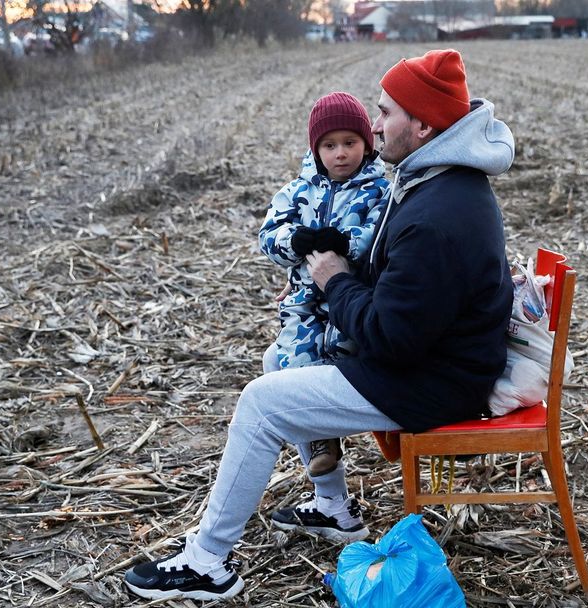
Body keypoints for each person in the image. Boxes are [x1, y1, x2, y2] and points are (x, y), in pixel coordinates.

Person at [124, 49, 515, 602]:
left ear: (424, 124)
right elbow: (402, 292)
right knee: (276, 361)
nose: (374, 126)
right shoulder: (440, 183)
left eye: (385, 113)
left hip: (431, 382)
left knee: (262, 402)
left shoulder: (438, 213)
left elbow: (391, 337)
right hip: (434, 360)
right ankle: (333, 508)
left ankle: (207, 560)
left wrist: (333, 279)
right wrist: (325, 282)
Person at [258, 91, 389, 477]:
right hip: (304, 302)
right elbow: (268, 235)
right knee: (296, 359)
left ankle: (333, 425)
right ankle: (320, 440)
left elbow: (378, 235)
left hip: (350, 300)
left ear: (366, 144)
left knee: (340, 355)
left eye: (350, 143)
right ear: (316, 150)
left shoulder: (378, 191)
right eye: (329, 145)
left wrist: (348, 242)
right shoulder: (297, 192)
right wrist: (292, 242)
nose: (341, 154)